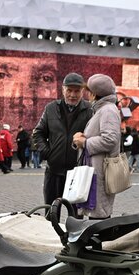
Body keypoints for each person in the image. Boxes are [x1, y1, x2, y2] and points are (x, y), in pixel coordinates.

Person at [33, 72, 93, 204]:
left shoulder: (90, 110)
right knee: (51, 210)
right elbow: (38, 133)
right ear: (63, 90)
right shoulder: (51, 108)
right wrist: (47, 152)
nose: (72, 95)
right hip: (54, 171)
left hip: (78, 171)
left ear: (82, 91)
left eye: (77, 91)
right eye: (69, 90)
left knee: (77, 213)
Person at [72, 74, 122, 219]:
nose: (87, 95)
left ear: (94, 94)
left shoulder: (108, 110)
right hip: (96, 169)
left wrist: (85, 142)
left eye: (89, 91)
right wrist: (83, 137)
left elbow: (110, 139)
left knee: (99, 216)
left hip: (101, 171)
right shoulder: (103, 109)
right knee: (96, 213)